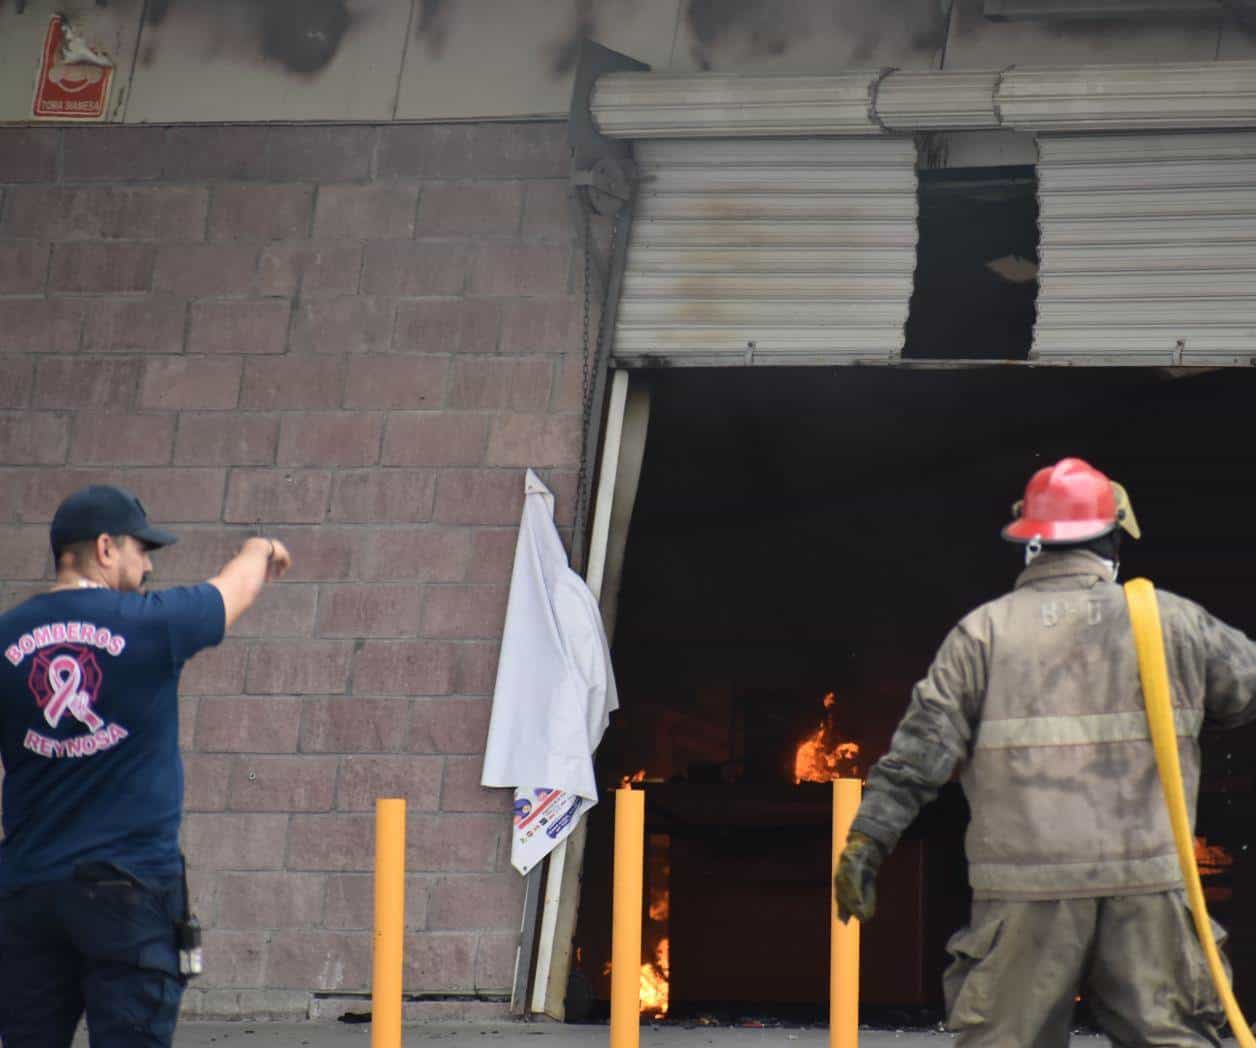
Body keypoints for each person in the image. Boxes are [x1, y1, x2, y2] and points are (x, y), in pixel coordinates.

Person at [835, 457, 1256, 1047]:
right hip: (1149, 895)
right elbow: (1245, 695)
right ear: (1112, 539)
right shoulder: (1173, 623)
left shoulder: (982, 634)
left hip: (1023, 904)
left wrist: (867, 841)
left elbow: (916, 757)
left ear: (1031, 543)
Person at [0, 484, 292, 1048]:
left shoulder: (4, 638)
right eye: (142, 548)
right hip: (130, 892)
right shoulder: (149, 624)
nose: (148, 563)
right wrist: (260, 548)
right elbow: (229, 594)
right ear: (106, 549)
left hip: (30, 891)